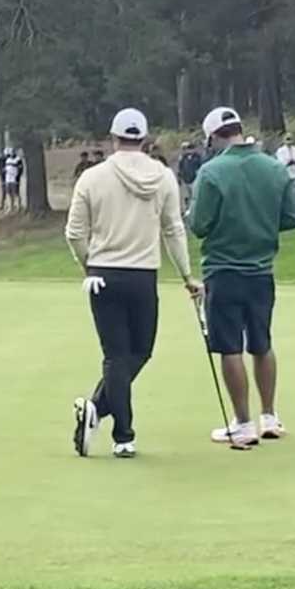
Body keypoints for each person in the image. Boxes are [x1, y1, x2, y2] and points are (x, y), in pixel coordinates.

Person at [66, 108, 200, 459]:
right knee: (137, 352)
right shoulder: (163, 176)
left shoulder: (92, 178)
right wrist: (187, 276)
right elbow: (173, 229)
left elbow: (74, 233)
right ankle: (122, 434)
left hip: (104, 276)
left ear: (113, 138)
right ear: (144, 138)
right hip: (143, 276)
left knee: (118, 355)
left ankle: (99, 410)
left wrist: (88, 267)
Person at [188, 107, 295, 447]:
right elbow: (291, 218)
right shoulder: (274, 168)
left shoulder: (211, 172)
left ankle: (243, 423)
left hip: (223, 271)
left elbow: (199, 225)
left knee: (230, 347)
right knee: (262, 343)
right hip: (261, 270)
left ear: (213, 137)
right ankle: (269, 416)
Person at [177, 142, 203, 210]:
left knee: (195, 194)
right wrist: (179, 178)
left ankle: (196, 208)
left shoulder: (197, 157)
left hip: (195, 178)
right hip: (186, 179)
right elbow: (180, 168)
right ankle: (190, 208)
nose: (189, 151)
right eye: (188, 149)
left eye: (191, 149)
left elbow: (201, 166)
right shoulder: (183, 158)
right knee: (188, 195)